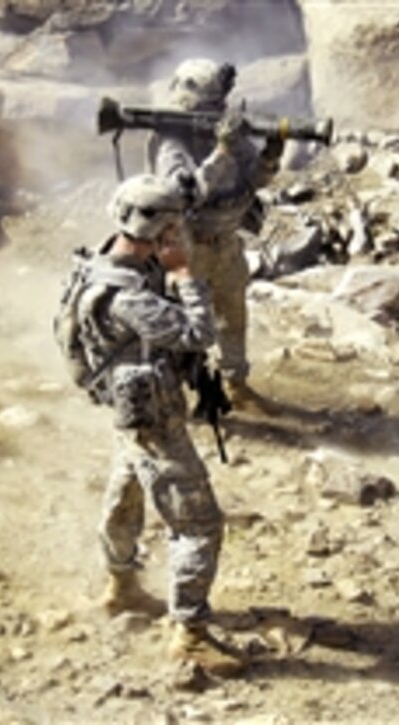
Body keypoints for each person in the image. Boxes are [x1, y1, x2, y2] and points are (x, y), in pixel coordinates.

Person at [81, 173, 244, 676]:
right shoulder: (129, 296)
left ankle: (120, 587)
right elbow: (198, 333)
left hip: (128, 410)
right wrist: (184, 276)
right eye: (173, 224)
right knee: (198, 523)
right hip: (154, 415)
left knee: (126, 491)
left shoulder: (98, 263)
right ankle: (190, 633)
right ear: (160, 228)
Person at [147, 58, 285, 408]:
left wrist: (269, 156)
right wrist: (222, 151)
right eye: (210, 105)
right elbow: (185, 193)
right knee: (186, 327)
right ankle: (177, 395)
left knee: (233, 318)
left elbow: (252, 181)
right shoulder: (170, 143)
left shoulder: (228, 134)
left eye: (219, 103)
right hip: (187, 249)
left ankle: (236, 384)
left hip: (226, 244)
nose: (217, 110)